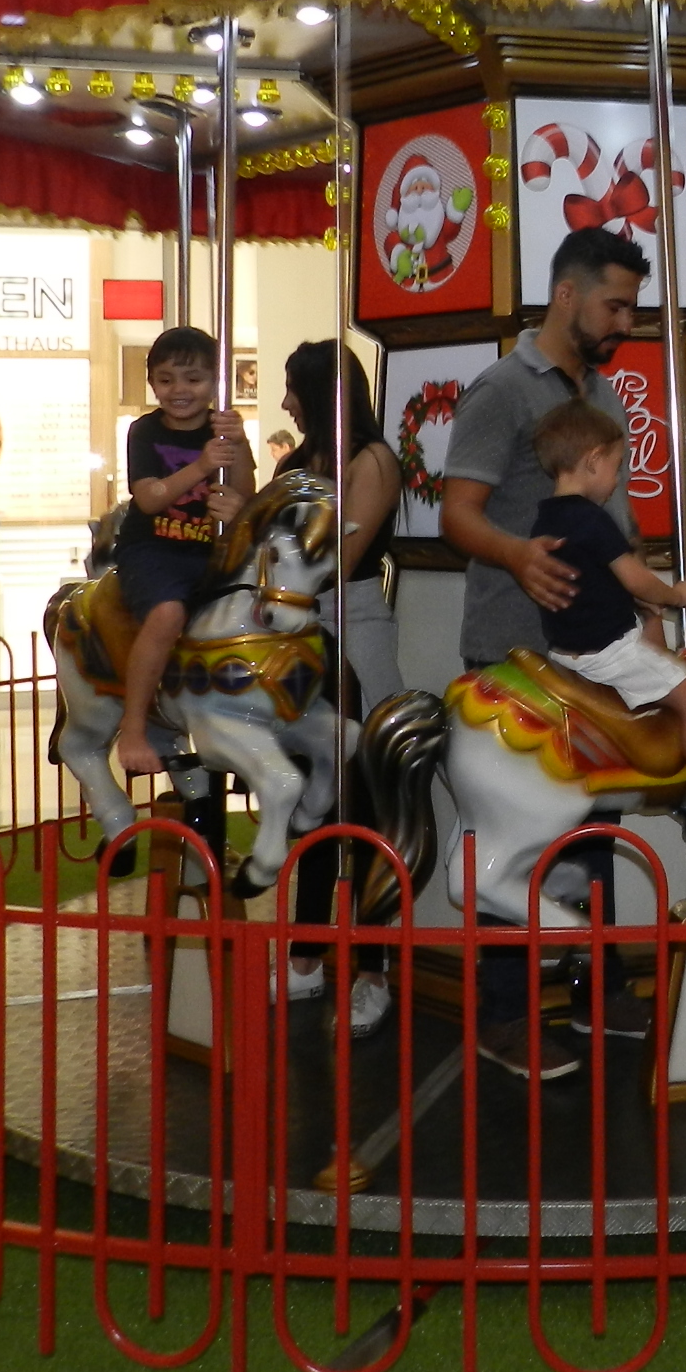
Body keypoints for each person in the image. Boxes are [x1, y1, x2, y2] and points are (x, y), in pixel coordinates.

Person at [441, 225, 647, 1078]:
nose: (625, 322)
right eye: (615, 305)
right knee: (513, 837)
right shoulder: (501, 391)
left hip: (590, 654)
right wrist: (518, 556)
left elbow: (615, 527)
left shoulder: (601, 395)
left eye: (630, 308)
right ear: (567, 295)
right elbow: (459, 512)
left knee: (595, 823)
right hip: (513, 655)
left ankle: (597, 984)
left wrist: (643, 613)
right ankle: (504, 1014)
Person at [532, 399, 686, 838]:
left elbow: (597, 584)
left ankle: (674, 765)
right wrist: (674, 595)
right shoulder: (592, 520)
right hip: (605, 650)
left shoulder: (544, 519)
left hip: (570, 645)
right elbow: (636, 579)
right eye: (616, 467)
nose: (617, 480)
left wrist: (647, 608)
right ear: (592, 461)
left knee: (656, 640)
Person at [271, 339, 401, 1039]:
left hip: (353, 624)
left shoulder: (371, 461)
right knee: (309, 799)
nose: (285, 402)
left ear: (322, 392)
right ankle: (306, 955)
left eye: (294, 388)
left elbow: (339, 559)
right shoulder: (294, 464)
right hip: (296, 629)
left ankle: (374, 969)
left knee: (372, 798)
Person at [114, 327, 255, 781]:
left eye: (193, 379)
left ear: (214, 382)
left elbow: (245, 491)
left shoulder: (223, 432)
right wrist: (201, 465)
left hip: (208, 551)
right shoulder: (145, 431)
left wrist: (239, 455)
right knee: (167, 613)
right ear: (152, 383)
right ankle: (134, 726)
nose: (180, 390)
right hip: (153, 549)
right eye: (167, 379)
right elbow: (149, 498)